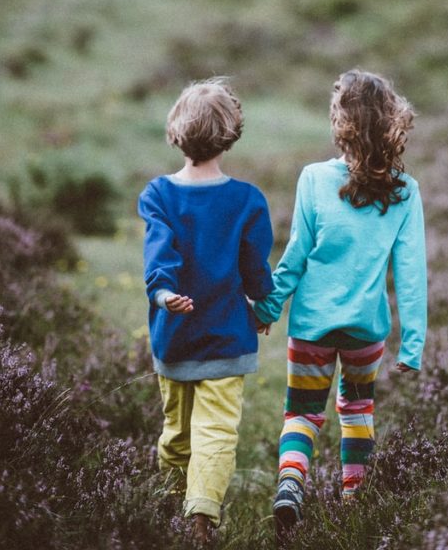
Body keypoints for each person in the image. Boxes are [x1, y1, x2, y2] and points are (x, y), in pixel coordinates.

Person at [253, 68, 427, 543]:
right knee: (357, 410)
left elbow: (295, 256)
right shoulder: (405, 192)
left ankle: (291, 484)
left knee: (302, 413)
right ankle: (353, 503)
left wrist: (267, 310)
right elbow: (410, 275)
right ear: (389, 123)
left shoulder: (312, 178)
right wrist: (411, 344)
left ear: (340, 123)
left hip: (311, 326)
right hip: (366, 332)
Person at [138, 77, 273, 545]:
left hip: (173, 336)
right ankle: (201, 514)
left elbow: (160, 256)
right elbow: (255, 268)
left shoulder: (158, 194)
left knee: (176, 432)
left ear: (175, 131)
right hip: (227, 337)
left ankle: (177, 503)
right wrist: (264, 306)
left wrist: (163, 295)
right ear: (231, 134)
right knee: (215, 432)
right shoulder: (248, 199)